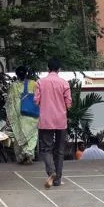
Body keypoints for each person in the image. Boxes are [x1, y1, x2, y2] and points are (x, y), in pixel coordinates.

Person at [34, 58, 72, 188]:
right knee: (60, 150)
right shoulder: (64, 83)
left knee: (46, 148)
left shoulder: (40, 82)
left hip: (46, 120)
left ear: (47, 68)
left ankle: (51, 172)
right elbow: (69, 103)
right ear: (59, 69)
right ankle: (57, 179)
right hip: (61, 120)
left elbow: (36, 100)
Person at [5, 66, 39, 164]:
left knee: (19, 135)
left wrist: (9, 116)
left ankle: (21, 156)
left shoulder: (13, 86)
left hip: (19, 115)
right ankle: (28, 152)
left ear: (16, 75)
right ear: (26, 73)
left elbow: (10, 103)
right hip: (32, 114)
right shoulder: (33, 84)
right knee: (32, 135)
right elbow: (39, 98)